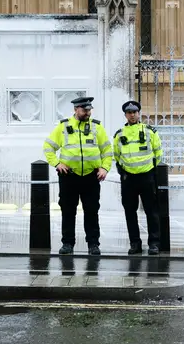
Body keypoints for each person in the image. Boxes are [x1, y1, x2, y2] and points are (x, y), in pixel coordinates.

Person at [43, 96, 113, 255]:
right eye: (84, 110)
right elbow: (48, 147)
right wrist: (57, 164)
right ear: (75, 110)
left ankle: (93, 244)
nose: (88, 113)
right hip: (69, 176)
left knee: (92, 211)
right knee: (68, 211)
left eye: (89, 110)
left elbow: (107, 151)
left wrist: (105, 168)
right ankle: (67, 244)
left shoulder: (97, 128)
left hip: (91, 176)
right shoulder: (63, 127)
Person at [113, 100, 163, 255]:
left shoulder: (150, 131)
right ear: (125, 115)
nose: (132, 115)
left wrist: (150, 171)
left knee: (151, 211)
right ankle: (135, 243)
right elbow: (116, 155)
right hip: (129, 178)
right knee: (130, 212)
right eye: (129, 113)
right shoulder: (120, 134)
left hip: (147, 176)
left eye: (134, 112)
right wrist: (123, 171)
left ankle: (154, 243)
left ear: (139, 113)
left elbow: (158, 153)